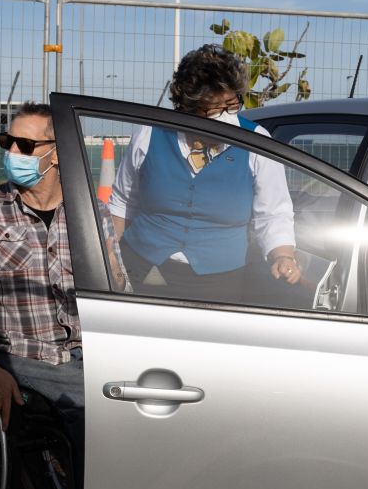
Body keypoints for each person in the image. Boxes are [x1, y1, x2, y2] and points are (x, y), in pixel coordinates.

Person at [0, 103, 95, 489]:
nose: (12, 153)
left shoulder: (90, 213)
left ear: (56, 153)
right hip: (24, 357)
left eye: (24, 145)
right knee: (94, 425)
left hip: (92, 354)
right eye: (7, 142)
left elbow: (118, 289)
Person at [110, 43, 302, 301]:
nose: (225, 117)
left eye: (232, 105)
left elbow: (274, 213)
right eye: (213, 109)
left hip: (220, 280)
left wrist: (283, 256)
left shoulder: (257, 141)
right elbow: (122, 203)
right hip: (141, 265)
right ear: (187, 106)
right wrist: (110, 256)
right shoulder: (149, 135)